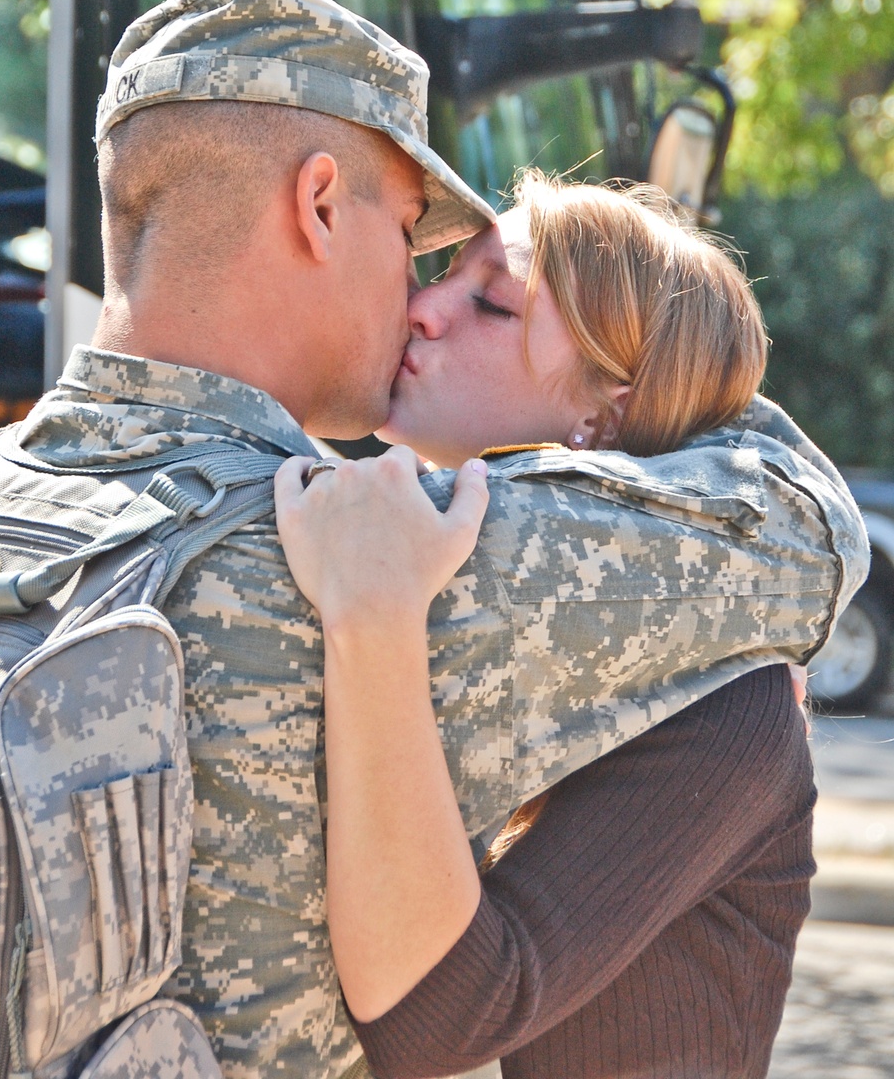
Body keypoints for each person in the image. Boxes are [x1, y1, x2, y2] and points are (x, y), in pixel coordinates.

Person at [0, 0, 866, 1079]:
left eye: (484, 295)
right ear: (318, 204)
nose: (419, 299)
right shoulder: (389, 559)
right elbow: (794, 531)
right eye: (413, 234)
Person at [275, 175, 818, 1078]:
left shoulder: (734, 704)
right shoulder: (529, 643)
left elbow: (438, 1019)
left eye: (489, 303)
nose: (422, 308)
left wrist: (375, 612)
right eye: (441, 270)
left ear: (602, 414)